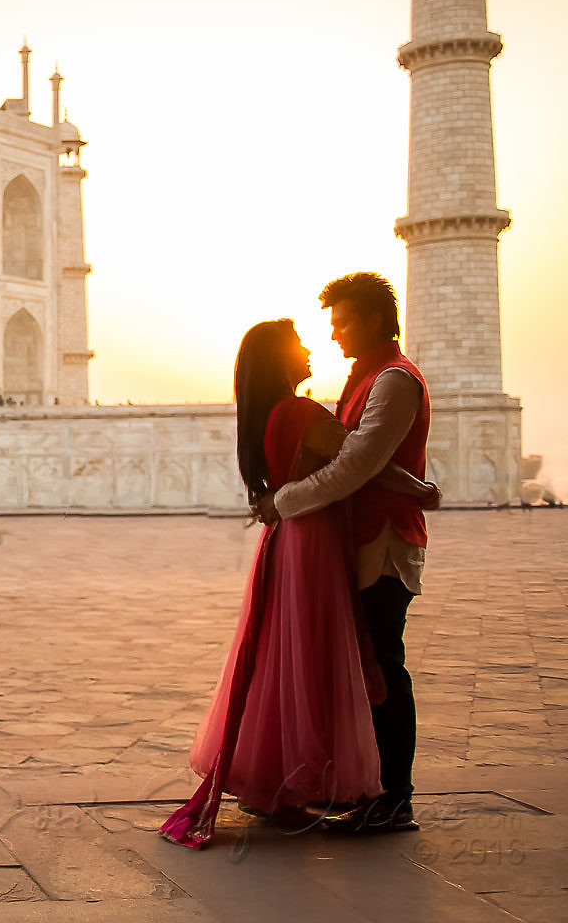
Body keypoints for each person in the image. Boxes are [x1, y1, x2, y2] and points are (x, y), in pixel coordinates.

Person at [161, 316, 436, 849]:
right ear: (281, 361)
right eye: (299, 346)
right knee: (313, 661)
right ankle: (317, 784)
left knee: (283, 660)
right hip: (312, 541)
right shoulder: (303, 411)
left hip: (288, 539)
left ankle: (274, 783)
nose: (314, 348)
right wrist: (421, 488)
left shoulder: (268, 415)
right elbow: (364, 461)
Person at [252, 273, 434, 833]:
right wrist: (416, 486)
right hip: (358, 542)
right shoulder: (367, 378)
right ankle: (372, 790)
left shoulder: (395, 381)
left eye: (343, 321)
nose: (333, 334)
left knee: (383, 665)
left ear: (375, 320)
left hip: (382, 543)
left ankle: (394, 798)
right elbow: (365, 458)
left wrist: (285, 500)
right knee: (366, 670)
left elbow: (356, 465)